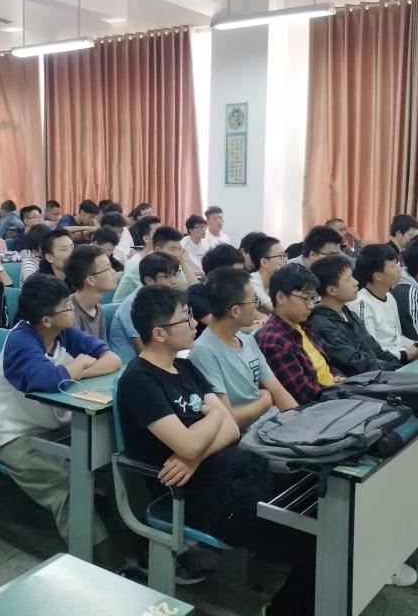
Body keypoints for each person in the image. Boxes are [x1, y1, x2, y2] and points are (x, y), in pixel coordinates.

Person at [117, 285, 315, 616]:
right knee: (316, 539)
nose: (195, 323)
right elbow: (194, 439)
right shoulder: (140, 380)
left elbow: (230, 428)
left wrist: (195, 452)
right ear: (159, 333)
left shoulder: (185, 368)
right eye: (185, 319)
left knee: (324, 504)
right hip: (203, 497)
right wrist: (209, 422)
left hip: (243, 472)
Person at [0, 274, 121, 551]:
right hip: (15, 437)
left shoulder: (64, 331)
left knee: (114, 461)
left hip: (58, 427)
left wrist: (77, 371)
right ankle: (101, 558)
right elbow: (46, 380)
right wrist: (76, 366)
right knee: (68, 486)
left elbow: (112, 359)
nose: (72, 309)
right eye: (66, 307)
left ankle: (138, 544)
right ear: (46, 320)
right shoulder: (21, 341)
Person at [189, 267, 297, 431]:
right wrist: (265, 401)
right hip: (252, 436)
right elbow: (229, 418)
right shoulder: (203, 352)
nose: (256, 306)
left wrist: (300, 421)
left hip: (276, 423)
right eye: (253, 301)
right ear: (235, 311)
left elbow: (278, 391)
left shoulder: (247, 340)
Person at [307, 255, 402, 375]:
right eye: (348, 279)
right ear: (331, 290)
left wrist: (398, 366)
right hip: (364, 382)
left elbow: (377, 351)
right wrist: (394, 368)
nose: (356, 282)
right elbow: (357, 364)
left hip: (380, 375)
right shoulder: (323, 325)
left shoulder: (349, 314)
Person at [258, 264, 338, 405]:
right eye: (305, 298)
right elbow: (304, 394)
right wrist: (339, 390)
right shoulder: (274, 341)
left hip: (333, 392)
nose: (311, 305)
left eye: (312, 298)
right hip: (320, 406)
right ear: (281, 297)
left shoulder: (301, 325)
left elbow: (327, 365)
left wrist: (339, 378)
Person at [354, 243, 418, 363]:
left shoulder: (390, 297)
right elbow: (369, 349)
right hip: (385, 364)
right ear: (377, 276)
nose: (399, 268)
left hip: (401, 357)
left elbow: (397, 337)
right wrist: (404, 355)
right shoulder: (361, 303)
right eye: (393, 266)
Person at [108, 252, 180, 362]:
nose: (174, 281)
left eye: (175, 274)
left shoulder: (164, 298)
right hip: (129, 363)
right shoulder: (133, 305)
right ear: (149, 281)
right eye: (167, 276)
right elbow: (142, 348)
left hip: (158, 354)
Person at [113, 223, 196, 302]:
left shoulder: (170, 263)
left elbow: (194, 290)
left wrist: (183, 262)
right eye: (173, 249)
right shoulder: (145, 265)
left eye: (179, 249)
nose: (177, 253)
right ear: (158, 250)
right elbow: (157, 295)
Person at [65, 244, 118, 341]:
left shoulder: (98, 309)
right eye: (108, 268)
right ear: (90, 280)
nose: (114, 272)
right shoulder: (68, 313)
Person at [248, 235, 286, 314]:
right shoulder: (252, 282)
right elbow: (281, 312)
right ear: (264, 262)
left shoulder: (276, 282)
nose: (285, 261)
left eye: (285, 256)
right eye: (280, 256)